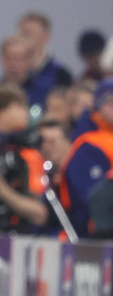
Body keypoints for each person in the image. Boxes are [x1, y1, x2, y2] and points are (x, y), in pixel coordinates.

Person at [0, 86, 48, 233]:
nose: (26, 112)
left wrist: (2, 191)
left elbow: (40, 214)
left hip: (15, 237)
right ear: (1, 112)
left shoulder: (28, 154)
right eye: (19, 106)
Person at [59, 80, 113, 236]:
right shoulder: (88, 145)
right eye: (110, 102)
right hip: (94, 235)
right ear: (99, 106)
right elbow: (91, 197)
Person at [18, 12, 74, 111]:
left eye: (28, 33)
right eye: (21, 33)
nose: (22, 38)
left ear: (45, 37)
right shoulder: (13, 72)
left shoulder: (61, 74)